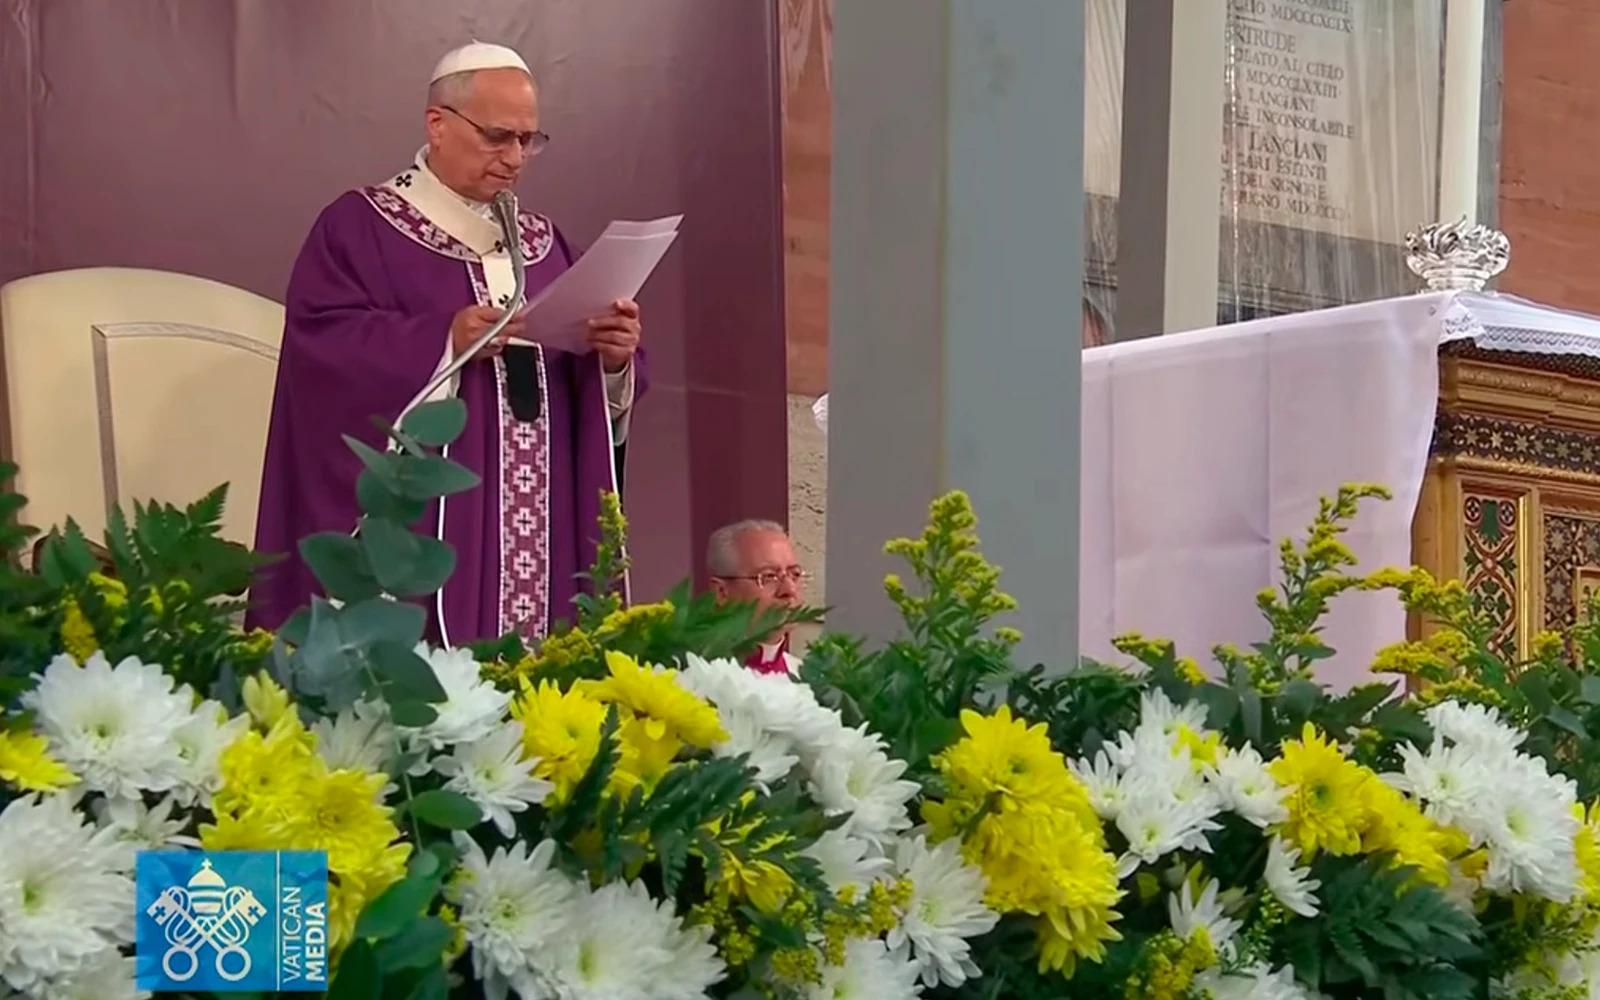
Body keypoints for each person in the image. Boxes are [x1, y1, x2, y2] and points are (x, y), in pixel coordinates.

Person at [249, 42, 646, 645]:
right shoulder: (363, 226)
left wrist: (612, 359)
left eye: (529, 140)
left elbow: (581, 380)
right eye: (498, 137)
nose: (515, 158)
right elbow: (321, 347)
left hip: (540, 522)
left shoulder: (546, 243)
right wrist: (442, 338)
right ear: (437, 124)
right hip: (442, 516)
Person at [706, 520, 807, 675]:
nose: (789, 590)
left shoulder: (810, 680)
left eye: (795, 574)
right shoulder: (691, 676)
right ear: (721, 592)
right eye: (769, 576)